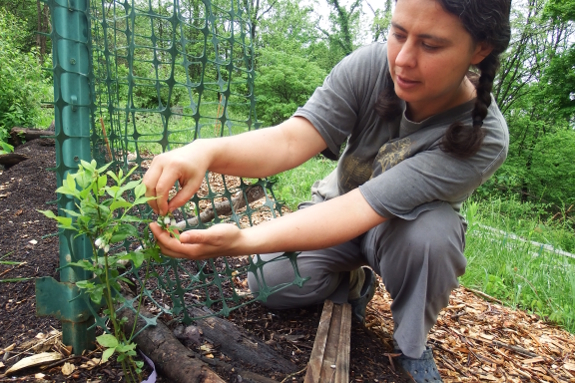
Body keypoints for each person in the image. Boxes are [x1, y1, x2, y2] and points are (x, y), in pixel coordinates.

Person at [143, 0, 511, 381]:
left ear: (480, 48)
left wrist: (241, 240)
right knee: (268, 284)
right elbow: (290, 140)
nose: (403, 59)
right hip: (335, 210)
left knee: (432, 236)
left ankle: (412, 348)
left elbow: (363, 208)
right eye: (398, 34)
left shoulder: (484, 136)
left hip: (402, 230)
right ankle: (353, 280)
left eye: (430, 45)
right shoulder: (370, 66)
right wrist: (206, 150)